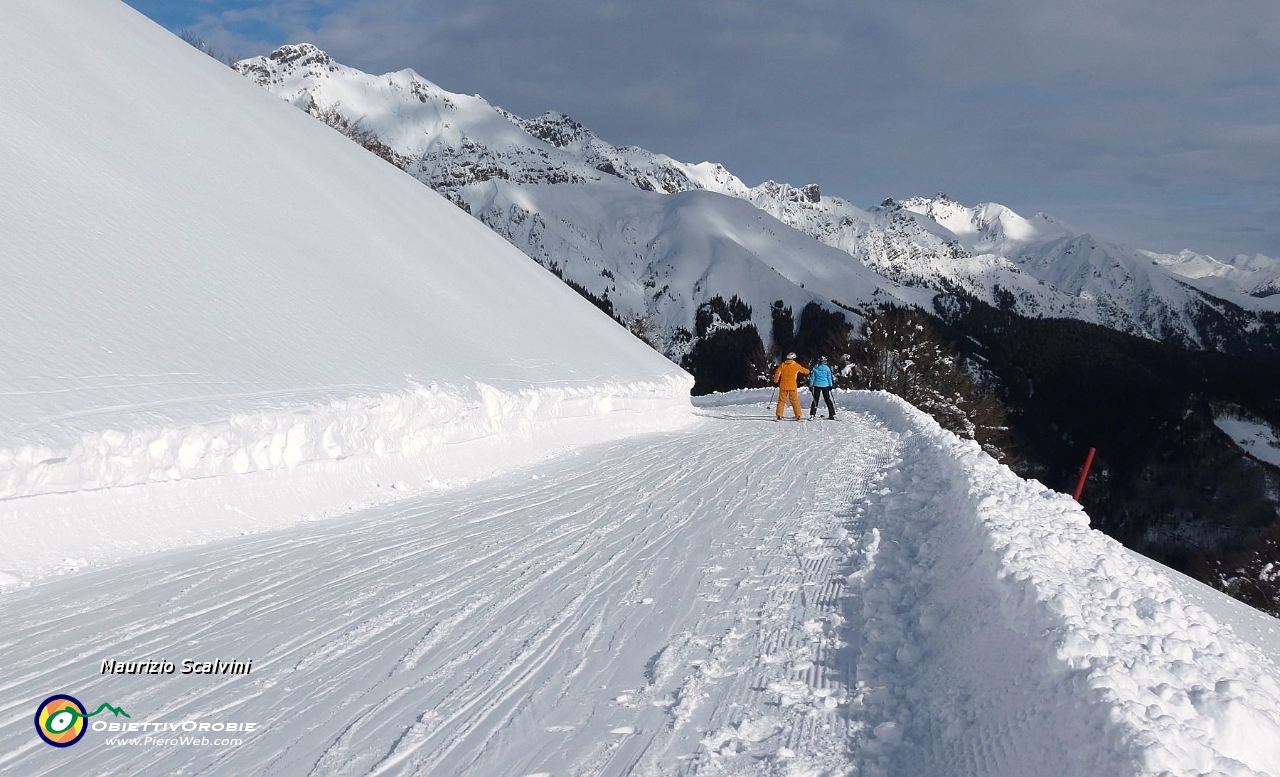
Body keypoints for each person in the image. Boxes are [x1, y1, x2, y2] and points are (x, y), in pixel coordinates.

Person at [772, 352, 810, 421]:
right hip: (792, 386)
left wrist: (776, 381)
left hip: (783, 386)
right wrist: (809, 370)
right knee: (794, 400)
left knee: (781, 401)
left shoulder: (782, 365)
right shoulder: (796, 366)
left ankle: (779, 415)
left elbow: (777, 373)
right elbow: (806, 371)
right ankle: (798, 415)